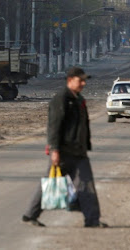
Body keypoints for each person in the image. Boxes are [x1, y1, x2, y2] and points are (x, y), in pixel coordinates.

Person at [22, 66, 107, 228]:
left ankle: (92, 220)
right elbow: (54, 126)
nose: (83, 83)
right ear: (70, 80)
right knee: (51, 183)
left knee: (86, 184)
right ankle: (30, 214)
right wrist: (54, 150)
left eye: (84, 81)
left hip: (79, 151)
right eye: (80, 80)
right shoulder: (61, 99)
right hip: (63, 151)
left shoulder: (79, 99)